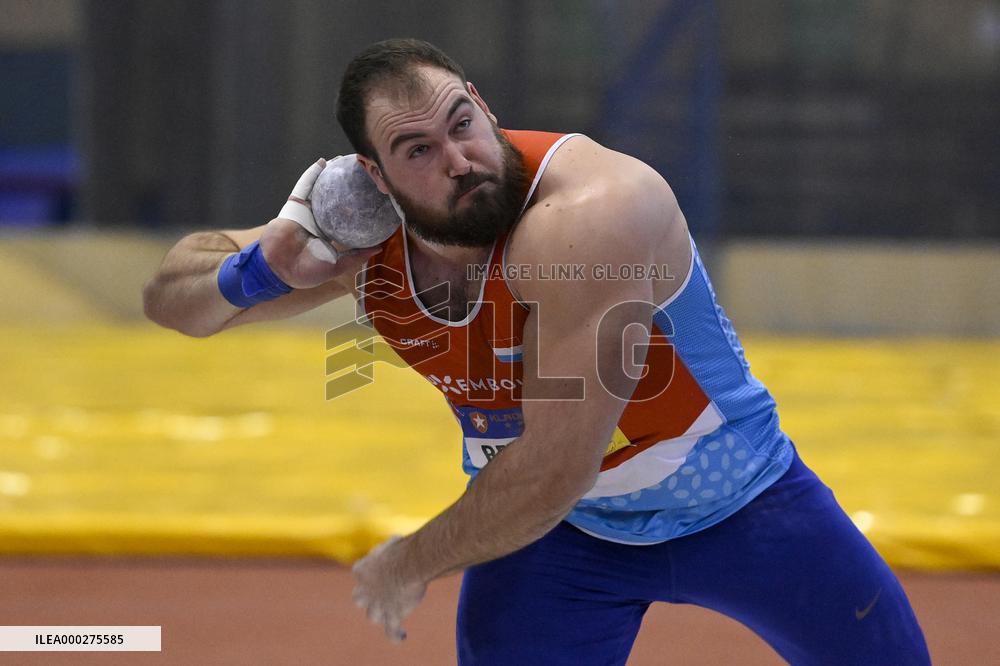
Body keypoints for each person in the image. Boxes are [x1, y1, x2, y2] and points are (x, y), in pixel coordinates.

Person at [143, 38, 930, 665]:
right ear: (378, 182)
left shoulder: (591, 214)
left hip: (746, 507)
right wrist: (260, 271)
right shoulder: (364, 239)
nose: (458, 159)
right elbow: (173, 302)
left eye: (461, 123)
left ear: (484, 107)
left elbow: (558, 467)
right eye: (417, 151)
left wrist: (411, 560)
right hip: (562, 543)